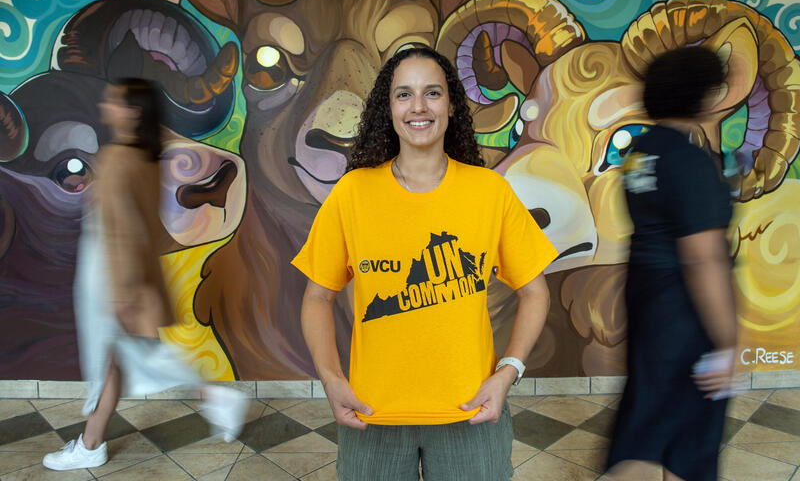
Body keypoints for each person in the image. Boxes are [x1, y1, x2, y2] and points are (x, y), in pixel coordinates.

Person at [293, 46, 557, 480]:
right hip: (371, 414)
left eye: (432, 93)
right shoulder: (352, 193)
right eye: (404, 94)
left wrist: (508, 372)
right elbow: (317, 297)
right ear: (388, 108)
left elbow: (535, 292)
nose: (418, 106)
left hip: (471, 413)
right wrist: (331, 378)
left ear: (451, 106)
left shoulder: (489, 192)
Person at [43, 78, 246, 471]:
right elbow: (145, 227)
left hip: (110, 271)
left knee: (133, 356)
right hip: (130, 270)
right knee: (117, 359)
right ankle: (91, 443)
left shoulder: (118, 157)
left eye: (114, 102)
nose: (106, 107)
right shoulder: (147, 158)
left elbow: (122, 228)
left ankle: (213, 397)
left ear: (133, 112)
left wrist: (122, 290)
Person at [606, 46, 738, 481]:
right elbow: (703, 259)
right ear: (701, 96)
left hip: (647, 303)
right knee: (689, 440)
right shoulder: (689, 161)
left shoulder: (639, 154)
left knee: (649, 422)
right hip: (685, 313)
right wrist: (725, 341)